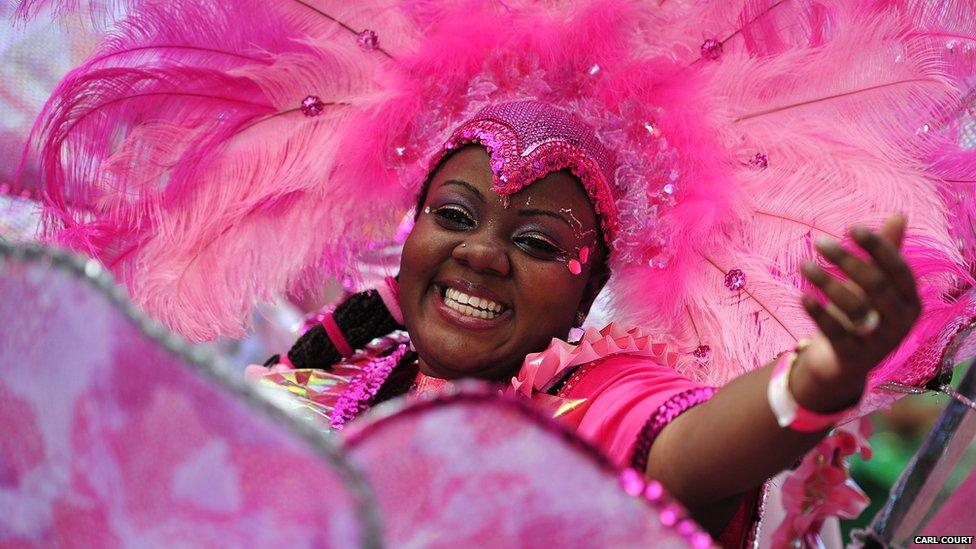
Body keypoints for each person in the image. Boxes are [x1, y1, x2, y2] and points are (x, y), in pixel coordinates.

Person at [16, 0, 976, 546]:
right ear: (413, 228)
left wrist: (820, 379)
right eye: (457, 216)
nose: (481, 253)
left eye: (538, 241)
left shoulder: (589, 395)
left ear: (586, 286)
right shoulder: (326, 374)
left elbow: (689, 449)